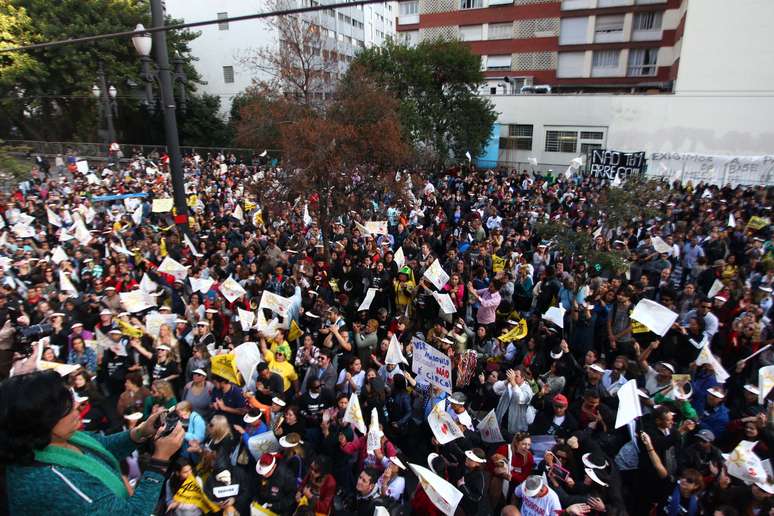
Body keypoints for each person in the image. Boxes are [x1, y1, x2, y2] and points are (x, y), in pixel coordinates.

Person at [1, 370, 185, 514]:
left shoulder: (59, 438)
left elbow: (99, 449)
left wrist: (139, 432)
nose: (77, 406)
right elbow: (134, 513)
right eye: (66, 406)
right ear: (40, 421)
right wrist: (160, 460)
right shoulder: (53, 483)